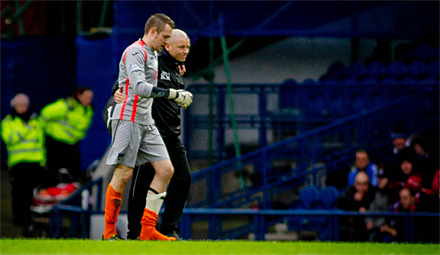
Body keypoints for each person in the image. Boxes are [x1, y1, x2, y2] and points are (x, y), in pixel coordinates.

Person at [102, 14, 192, 241]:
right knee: (125, 175)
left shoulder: (155, 56)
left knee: (168, 171)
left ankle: (149, 230)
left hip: (150, 124)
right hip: (130, 119)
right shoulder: (135, 51)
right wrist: (173, 93)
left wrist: (175, 74)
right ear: (153, 32)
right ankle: (110, 233)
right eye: (166, 37)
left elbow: (150, 81)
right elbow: (138, 86)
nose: (166, 42)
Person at [0, 93, 45, 236]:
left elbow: (40, 142)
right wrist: (26, 128)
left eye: (24, 105)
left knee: (32, 193)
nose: (22, 108)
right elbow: (10, 139)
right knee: (19, 193)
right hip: (18, 164)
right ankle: (19, 221)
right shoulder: (8, 122)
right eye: (19, 105)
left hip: (35, 163)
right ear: (14, 106)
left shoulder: (35, 120)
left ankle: (31, 219)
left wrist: (43, 161)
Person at [40, 86, 94, 184]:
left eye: (90, 97)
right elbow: (45, 113)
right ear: (79, 95)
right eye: (86, 97)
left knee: (73, 171)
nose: (88, 100)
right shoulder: (66, 106)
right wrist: (43, 131)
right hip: (56, 143)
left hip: (72, 144)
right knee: (53, 170)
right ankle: (49, 190)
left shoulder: (88, 110)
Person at [335, 171, 378, 241]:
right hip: (351, 225)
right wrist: (354, 200)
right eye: (359, 184)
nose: (361, 187)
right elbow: (339, 203)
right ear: (355, 184)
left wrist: (367, 213)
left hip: (368, 226)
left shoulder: (373, 193)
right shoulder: (350, 192)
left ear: (368, 184)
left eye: (364, 184)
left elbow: (379, 209)